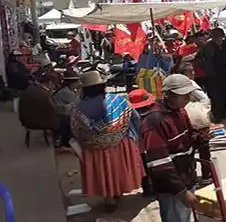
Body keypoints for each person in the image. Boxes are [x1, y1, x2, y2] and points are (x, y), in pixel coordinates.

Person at [141, 74, 212, 222]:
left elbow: (184, 143)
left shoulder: (180, 112)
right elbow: (158, 164)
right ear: (168, 95)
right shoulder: (154, 121)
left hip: (185, 178)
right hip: (173, 189)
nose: (188, 98)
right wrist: (182, 191)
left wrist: (200, 138)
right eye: (183, 95)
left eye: (189, 94)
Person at [70, 70, 145, 212]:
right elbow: (135, 118)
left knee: (103, 172)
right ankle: (118, 191)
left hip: (94, 148)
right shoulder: (118, 100)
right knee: (116, 168)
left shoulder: (78, 107)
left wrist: (88, 139)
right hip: (119, 143)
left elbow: (75, 128)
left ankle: (108, 199)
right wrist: (136, 137)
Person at [128, 89, 159, 198]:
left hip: (138, 146)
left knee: (143, 168)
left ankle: (147, 188)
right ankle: (155, 187)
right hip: (152, 144)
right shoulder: (152, 113)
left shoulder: (129, 115)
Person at [199, 28, 226, 121]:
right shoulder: (208, 46)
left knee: (223, 93)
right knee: (214, 94)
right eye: (217, 37)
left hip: (224, 72)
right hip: (212, 74)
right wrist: (209, 71)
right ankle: (215, 113)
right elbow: (204, 60)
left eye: (220, 37)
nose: (219, 39)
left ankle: (222, 112)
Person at [18, 72, 60, 138]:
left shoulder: (30, 88)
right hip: (38, 122)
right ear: (50, 83)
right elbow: (54, 109)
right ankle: (60, 140)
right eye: (54, 85)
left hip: (25, 120)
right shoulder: (43, 94)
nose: (54, 87)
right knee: (64, 120)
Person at [51, 73, 80, 148]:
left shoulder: (64, 90)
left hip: (58, 114)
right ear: (72, 83)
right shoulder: (66, 92)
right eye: (77, 82)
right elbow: (77, 103)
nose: (79, 84)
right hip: (59, 116)